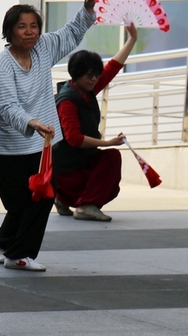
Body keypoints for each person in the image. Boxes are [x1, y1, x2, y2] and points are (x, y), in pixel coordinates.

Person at [0, 0, 97, 272]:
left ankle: (16, 252)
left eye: (34, 25)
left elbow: (72, 32)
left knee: (43, 195)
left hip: (44, 143)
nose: (30, 31)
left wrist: (88, 4)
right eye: (22, 26)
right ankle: (4, 241)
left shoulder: (44, 48)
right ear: (9, 31)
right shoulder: (2, 64)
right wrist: (30, 122)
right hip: (7, 147)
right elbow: (7, 107)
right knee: (20, 202)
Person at [53, 23, 138, 222]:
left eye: (95, 75)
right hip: (66, 172)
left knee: (110, 159)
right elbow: (73, 139)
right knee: (111, 158)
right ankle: (85, 206)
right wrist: (107, 143)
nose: (94, 79)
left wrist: (132, 38)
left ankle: (64, 200)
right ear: (76, 74)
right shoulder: (67, 101)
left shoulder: (85, 89)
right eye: (89, 75)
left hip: (76, 166)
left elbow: (113, 67)